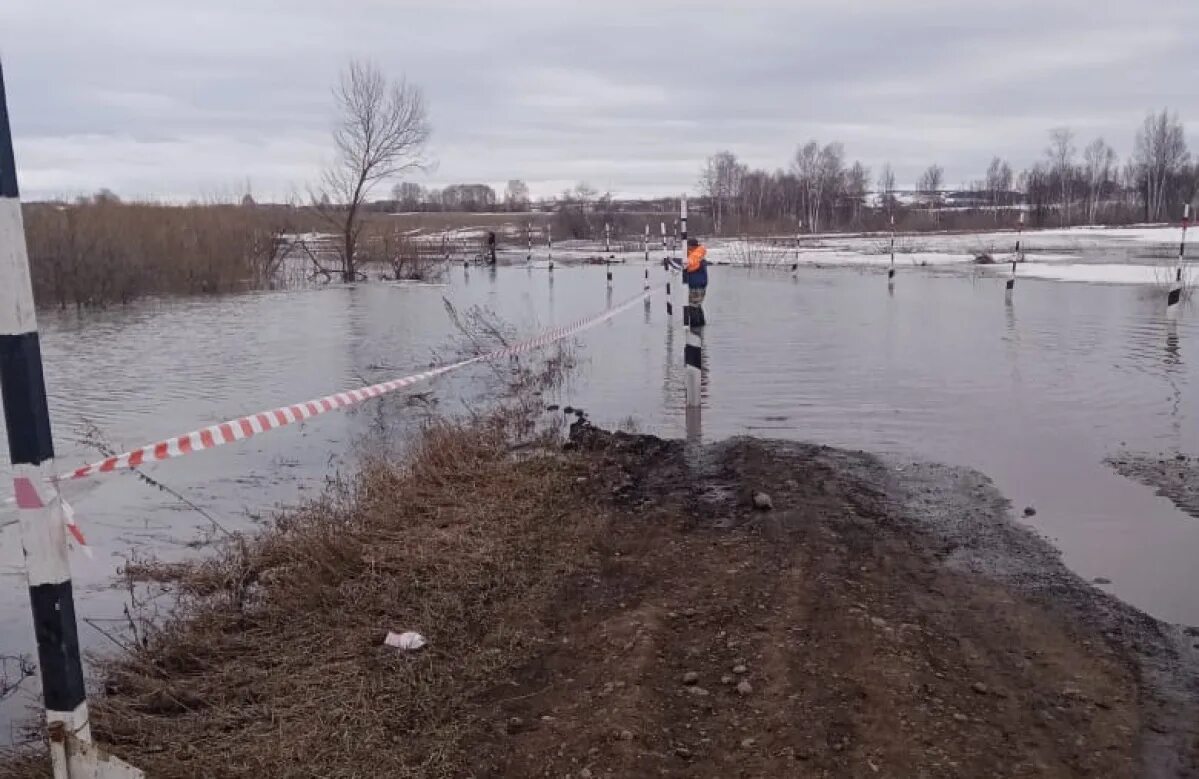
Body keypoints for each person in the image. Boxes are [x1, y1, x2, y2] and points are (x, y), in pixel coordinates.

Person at [684, 237, 708, 307]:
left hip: (697, 285)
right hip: (697, 284)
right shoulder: (697, 254)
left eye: (688, 246)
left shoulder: (696, 256)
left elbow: (689, 266)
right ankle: (699, 318)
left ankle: (695, 318)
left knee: (693, 307)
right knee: (697, 306)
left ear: (692, 246)